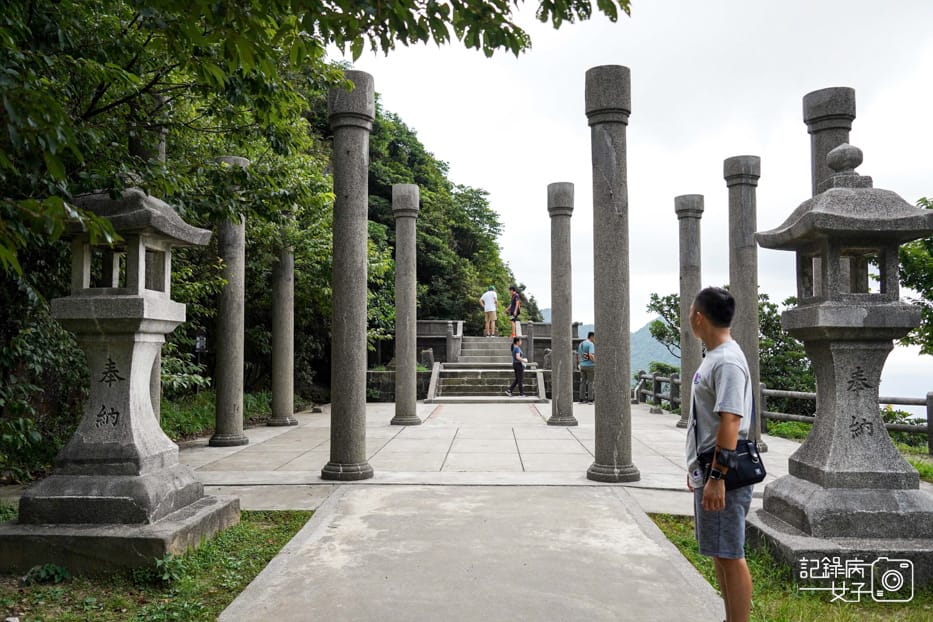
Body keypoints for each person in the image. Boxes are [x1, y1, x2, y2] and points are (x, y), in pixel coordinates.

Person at [685, 287, 754, 622]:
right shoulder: (714, 356)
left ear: (700, 317)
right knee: (719, 550)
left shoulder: (726, 360)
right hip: (709, 468)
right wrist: (697, 470)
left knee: (730, 553)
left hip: (724, 472)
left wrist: (716, 478)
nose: (689, 318)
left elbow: (731, 421)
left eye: (690, 312)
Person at [577, 332, 595, 403]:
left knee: (583, 382)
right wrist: (596, 362)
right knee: (590, 382)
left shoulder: (581, 344)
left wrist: (580, 364)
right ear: (592, 336)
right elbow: (591, 355)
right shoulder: (591, 344)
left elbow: (578, 356)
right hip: (590, 366)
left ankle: (581, 398)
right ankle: (590, 398)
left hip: (582, 365)